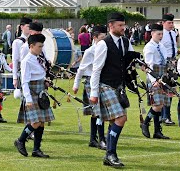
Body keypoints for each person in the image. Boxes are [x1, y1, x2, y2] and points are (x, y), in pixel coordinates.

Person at [90, 12, 139, 168]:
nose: (123, 28)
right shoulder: (103, 44)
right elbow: (96, 70)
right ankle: (111, 153)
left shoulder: (125, 42)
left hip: (119, 87)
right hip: (105, 85)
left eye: (124, 25)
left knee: (115, 121)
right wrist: (93, 92)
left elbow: (130, 62)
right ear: (110, 26)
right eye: (120, 25)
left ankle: (109, 155)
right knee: (121, 118)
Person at [14, 34, 55, 158]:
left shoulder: (38, 58)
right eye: (39, 46)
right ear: (31, 46)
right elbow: (25, 81)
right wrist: (28, 99)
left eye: (42, 46)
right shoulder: (27, 61)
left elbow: (39, 74)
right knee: (35, 122)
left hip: (41, 91)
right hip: (32, 93)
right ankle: (20, 140)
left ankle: (36, 150)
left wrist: (45, 81)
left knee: (41, 122)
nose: (41, 48)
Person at [73, 25, 107, 150]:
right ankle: (101, 139)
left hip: (101, 82)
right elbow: (81, 69)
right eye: (102, 38)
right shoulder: (89, 51)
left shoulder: (105, 49)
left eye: (105, 37)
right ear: (95, 37)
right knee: (98, 112)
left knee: (97, 112)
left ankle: (93, 139)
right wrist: (76, 84)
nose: (104, 40)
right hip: (90, 82)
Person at [141, 24, 170, 139]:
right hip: (154, 76)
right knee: (157, 104)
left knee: (160, 104)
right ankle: (145, 122)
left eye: (162, 34)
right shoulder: (149, 47)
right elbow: (149, 65)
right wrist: (154, 80)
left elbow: (165, 61)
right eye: (158, 34)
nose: (161, 36)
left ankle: (157, 131)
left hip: (162, 75)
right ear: (152, 33)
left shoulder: (161, 46)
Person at [160, 13, 177, 126]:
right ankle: (165, 116)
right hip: (165, 63)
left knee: (170, 90)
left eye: (172, 22)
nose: (171, 24)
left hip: (173, 62)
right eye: (169, 23)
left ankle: (164, 115)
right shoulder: (161, 34)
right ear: (163, 23)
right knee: (165, 89)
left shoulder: (173, 33)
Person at [12, 17, 32, 89]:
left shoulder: (34, 40)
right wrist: (15, 78)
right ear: (22, 27)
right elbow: (15, 60)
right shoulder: (17, 42)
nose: (30, 28)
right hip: (23, 71)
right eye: (28, 26)